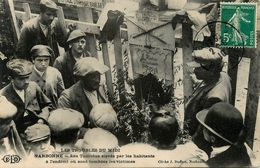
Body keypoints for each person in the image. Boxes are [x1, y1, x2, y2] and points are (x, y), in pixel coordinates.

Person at [184, 47, 232, 136]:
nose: (194, 71)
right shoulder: (222, 76)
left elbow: (203, 131)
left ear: (212, 70)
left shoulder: (214, 98)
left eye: (198, 68)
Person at [0, 59, 53, 134]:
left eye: (27, 77)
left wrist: (41, 120)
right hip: (17, 134)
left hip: (38, 128)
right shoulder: (3, 96)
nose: (26, 82)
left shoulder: (33, 86)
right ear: (11, 79)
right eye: (21, 79)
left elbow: (47, 105)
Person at [58, 57, 109, 127]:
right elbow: (65, 125)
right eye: (92, 77)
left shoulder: (100, 87)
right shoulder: (68, 97)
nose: (97, 80)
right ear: (81, 78)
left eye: (98, 75)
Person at [196, 102, 251, 167]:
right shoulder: (241, 149)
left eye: (204, 128)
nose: (202, 129)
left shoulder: (212, 165)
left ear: (212, 139)